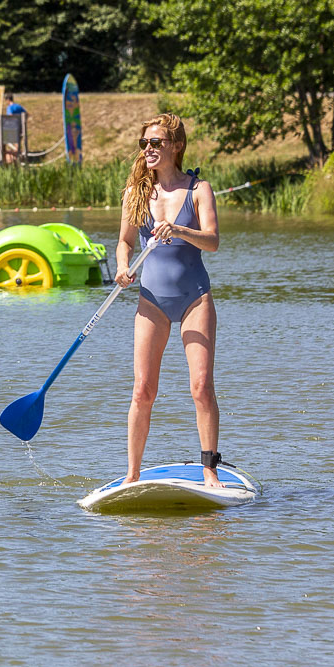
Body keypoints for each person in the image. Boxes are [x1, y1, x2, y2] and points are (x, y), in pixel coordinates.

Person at [114, 114, 224, 488]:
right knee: (143, 389)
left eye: (156, 142)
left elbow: (212, 240)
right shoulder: (136, 192)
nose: (148, 149)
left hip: (194, 297)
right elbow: (125, 242)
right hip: (151, 299)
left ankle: (210, 468)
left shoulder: (198, 190)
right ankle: (132, 474)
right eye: (145, 143)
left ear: (176, 146)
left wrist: (178, 229)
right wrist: (122, 266)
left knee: (201, 386)